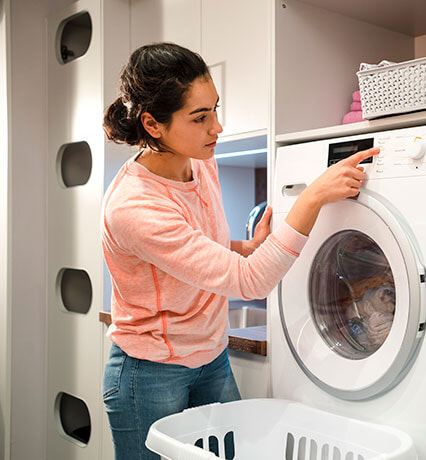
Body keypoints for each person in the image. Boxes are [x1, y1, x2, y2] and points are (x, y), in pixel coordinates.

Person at [100, 42, 378, 459]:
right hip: (150, 372)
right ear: (152, 125)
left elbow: (194, 250)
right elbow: (251, 282)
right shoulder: (134, 206)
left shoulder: (200, 159)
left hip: (211, 356)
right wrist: (311, 199)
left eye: (215, 109)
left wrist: (245, 247)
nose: (217, 128)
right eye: (200, 117)